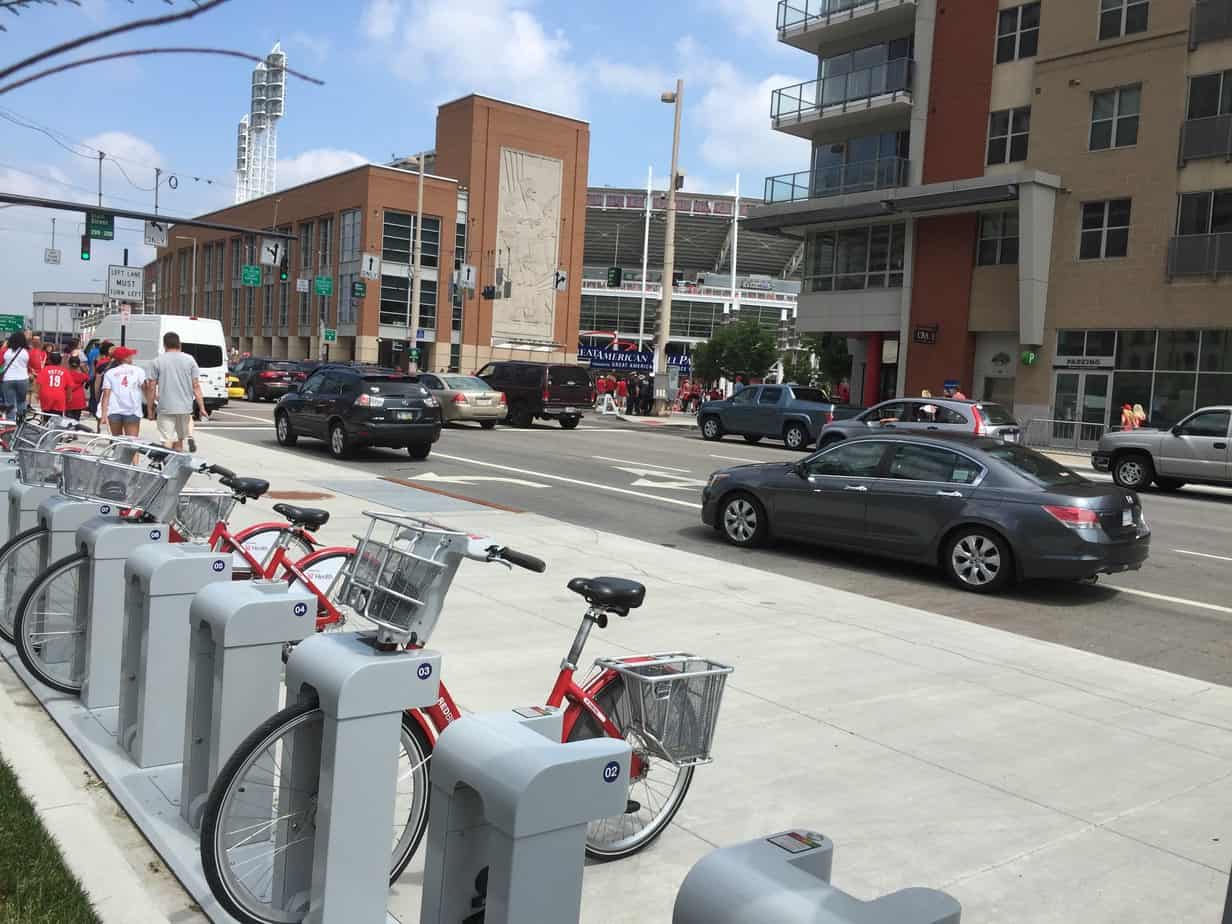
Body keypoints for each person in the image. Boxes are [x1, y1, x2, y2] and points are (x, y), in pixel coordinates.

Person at [147, 331, 208, 451]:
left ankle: (165, 464)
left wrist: (150, 408)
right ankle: (176, 463)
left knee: (167, 439)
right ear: (179, 344)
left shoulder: (157, 361)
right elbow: (196, 386)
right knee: (179, 440)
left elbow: (151, 387)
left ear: (164, 345)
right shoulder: (190, 360)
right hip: (185, 407)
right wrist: (202, 408)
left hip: (165, 406)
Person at [99, 346, 145, 437]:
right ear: (126, 358)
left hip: (114, 410)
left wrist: (104, 413)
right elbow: (145, 387)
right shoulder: (138, 371)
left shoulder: (110, 373)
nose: (132, 357)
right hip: (132, 410)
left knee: (117, 441)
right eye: (130, 355)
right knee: (132, 442)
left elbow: (106, 395)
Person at [1, 331, 31, 419]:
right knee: (21, 401)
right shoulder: (26, 351)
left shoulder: (5, 351)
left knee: (9, 403)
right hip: (23, 379)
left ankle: (10, 425)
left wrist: (4, 346)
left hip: (8, 380)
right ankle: (21, 422)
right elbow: (30, 365)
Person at [36, 352, 68, 416]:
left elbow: (38, 383)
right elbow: (69, 386)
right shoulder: (64, 371)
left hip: (46, 396)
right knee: (57, 419)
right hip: (59, 397)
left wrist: (38, 395)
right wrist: (68, 397)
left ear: (50, 361)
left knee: (46, 418)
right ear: (60, 361)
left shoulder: (44, 370)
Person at [90, 341, 113, 417]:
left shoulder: (97, 358)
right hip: (103, 387)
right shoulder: (107, 362)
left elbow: (94, 370)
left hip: (96, 380)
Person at [65, 355, 89, 421]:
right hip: (79, 401)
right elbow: (88, 377)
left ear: (69, 364)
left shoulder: (66, 374)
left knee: (67, 420)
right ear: (78, 365)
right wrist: (83, 368)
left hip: (68, 400)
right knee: (76, 420)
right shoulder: (82, 376)